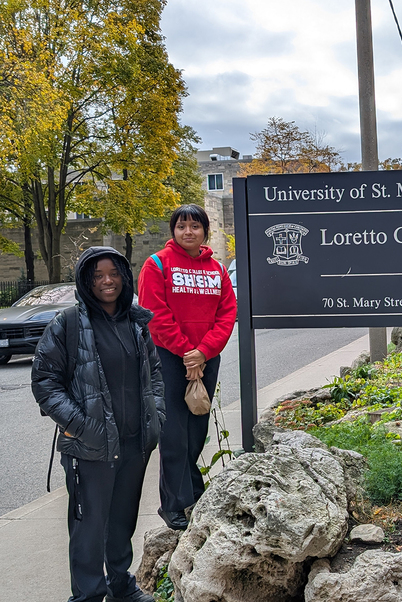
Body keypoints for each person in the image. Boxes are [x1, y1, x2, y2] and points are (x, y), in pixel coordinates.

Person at [32, 247, 165, 602]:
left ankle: (121, 586)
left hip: (134, 443)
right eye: (97, 276)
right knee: (89, 529)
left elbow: (154, 373)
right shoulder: (68, 324)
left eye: (113, 273)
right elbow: (45, 381)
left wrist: (158, 415)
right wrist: (78, 425)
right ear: (85, 282)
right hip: (90, 448)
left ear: (124, 276)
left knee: (122, 523)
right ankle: (88, 595)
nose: (107, 281)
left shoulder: (135, 322)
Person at [137, 204, 237, 530]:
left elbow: (226, 314)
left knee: (197, 430)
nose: (188, 232)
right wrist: (186, 351)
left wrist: (204, 352)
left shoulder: (218, 270)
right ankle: (174, 505)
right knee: (174, 433)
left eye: (195, 226)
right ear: (173, 231)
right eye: (182, 226)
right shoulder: (156, 265)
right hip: (168, 356)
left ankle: (193, 493)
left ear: (205, 231)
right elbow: (155, 313)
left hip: (207, 358)